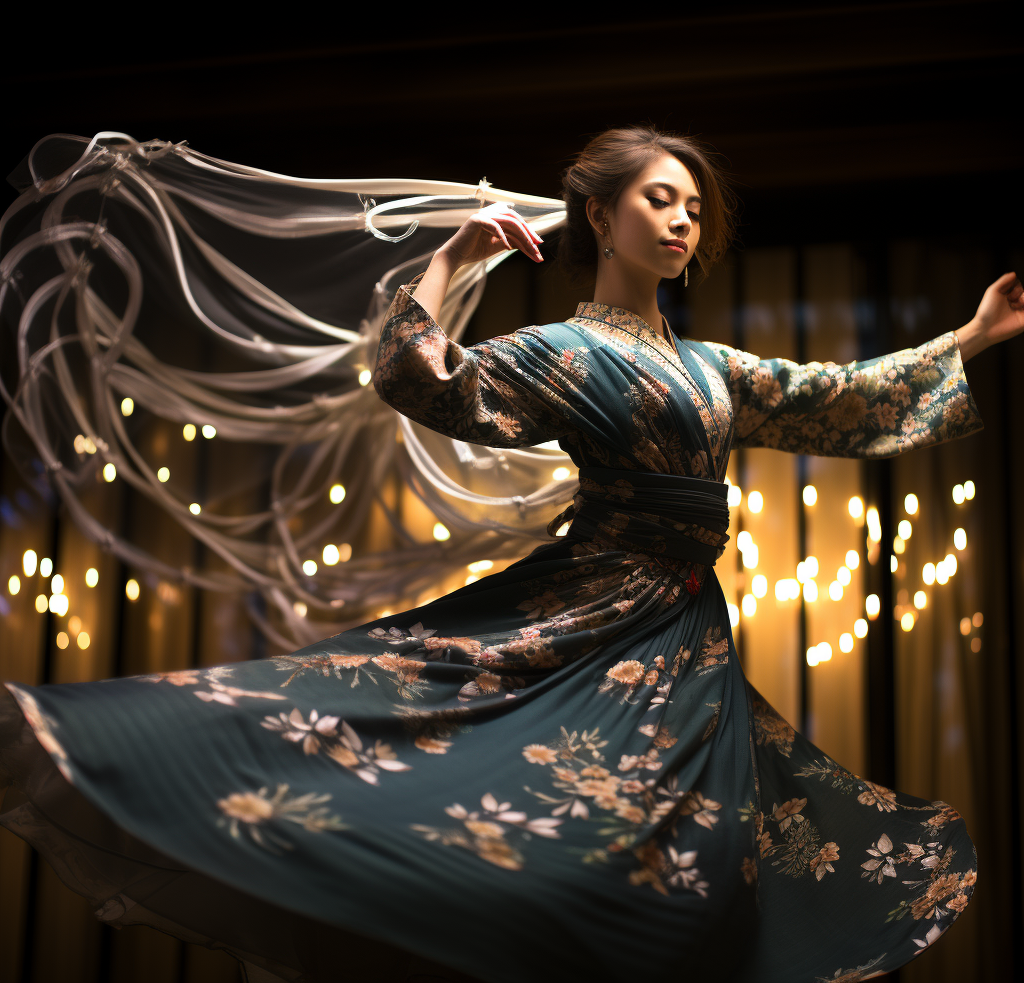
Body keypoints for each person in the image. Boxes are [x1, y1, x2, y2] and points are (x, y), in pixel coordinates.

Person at [1, 125, 1022, 983]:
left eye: (695, 209)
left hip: (683, 633)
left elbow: (831, 399)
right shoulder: (560, 353)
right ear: (600, 216)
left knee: (701, 865)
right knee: (446, 767)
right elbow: (426, 380)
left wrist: (969, 339)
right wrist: (450, 259)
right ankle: (114, 743)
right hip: (585, 609)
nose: (681, 221)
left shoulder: (717, 367)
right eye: (659, 200)